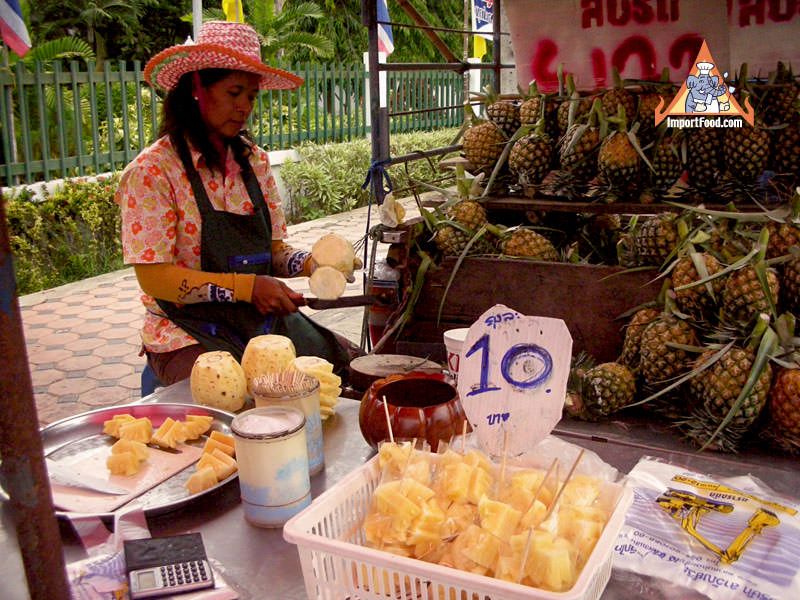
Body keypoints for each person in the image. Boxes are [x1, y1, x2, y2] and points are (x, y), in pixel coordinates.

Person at [115, 21, 360, 387]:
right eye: (234, 92)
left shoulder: (254, 162)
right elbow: (155, 278)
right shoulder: (153, 172)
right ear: (198, 87)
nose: (244, 106)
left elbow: (274, 252)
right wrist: (248, 288)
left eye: (252, 96)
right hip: (185, 331)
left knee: (347, 370)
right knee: (233, 397)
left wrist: (312, 264)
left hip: (257, 322)